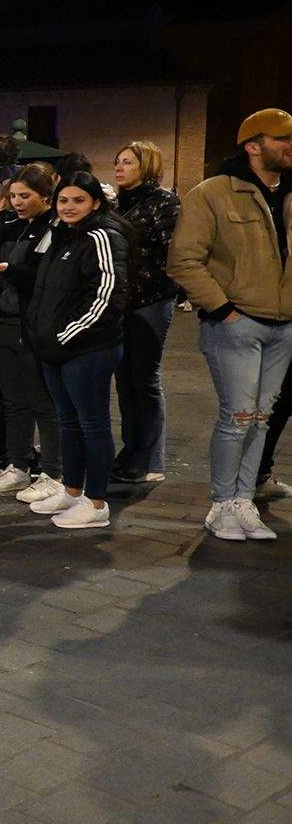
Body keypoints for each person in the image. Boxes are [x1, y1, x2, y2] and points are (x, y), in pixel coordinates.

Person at [167, 108, 292, 541]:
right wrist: (223, 312)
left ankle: (244, 501)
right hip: (237, 324)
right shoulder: (213, 193)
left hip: (284, 327)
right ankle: (222, 504)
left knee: (261, 418)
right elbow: (184, 260)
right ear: (252, 146)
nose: (289, 146)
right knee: (237, 417)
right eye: (281, 139)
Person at [22, 172, 130, 528]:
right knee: (69, 423)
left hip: (88, 350)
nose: (69, 207)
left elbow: (106, 296)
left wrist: (64, 336)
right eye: (64, 200)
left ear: (96, 203)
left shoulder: (101, 236)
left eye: (78, 200)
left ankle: (96, 502)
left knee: (93, 424)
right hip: (57, 348)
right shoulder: (63, 234)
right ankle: (72, 491)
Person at [0, 164, 65, 502]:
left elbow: (44, 276)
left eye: (25, 196)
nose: (18, 202)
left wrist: (9, 270)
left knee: (42, 400)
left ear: (44, 197)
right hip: (2, 320)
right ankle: (18, 464)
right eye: (13, 196)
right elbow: (1, 262)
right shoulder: (10, 224)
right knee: (12, 399)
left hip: (32, 323)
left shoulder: (55, 227)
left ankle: (53, 471)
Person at [111, 140, 180, 484]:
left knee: (145, 378)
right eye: (118, 162)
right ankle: (131, 450)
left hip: (151, 298)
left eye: (127, 162)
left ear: (147, 165)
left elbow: (173, 251)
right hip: (121, 300)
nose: (119, 167)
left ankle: (151, 458)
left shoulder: (164, 202)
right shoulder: (116, 203)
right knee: (124, 380)